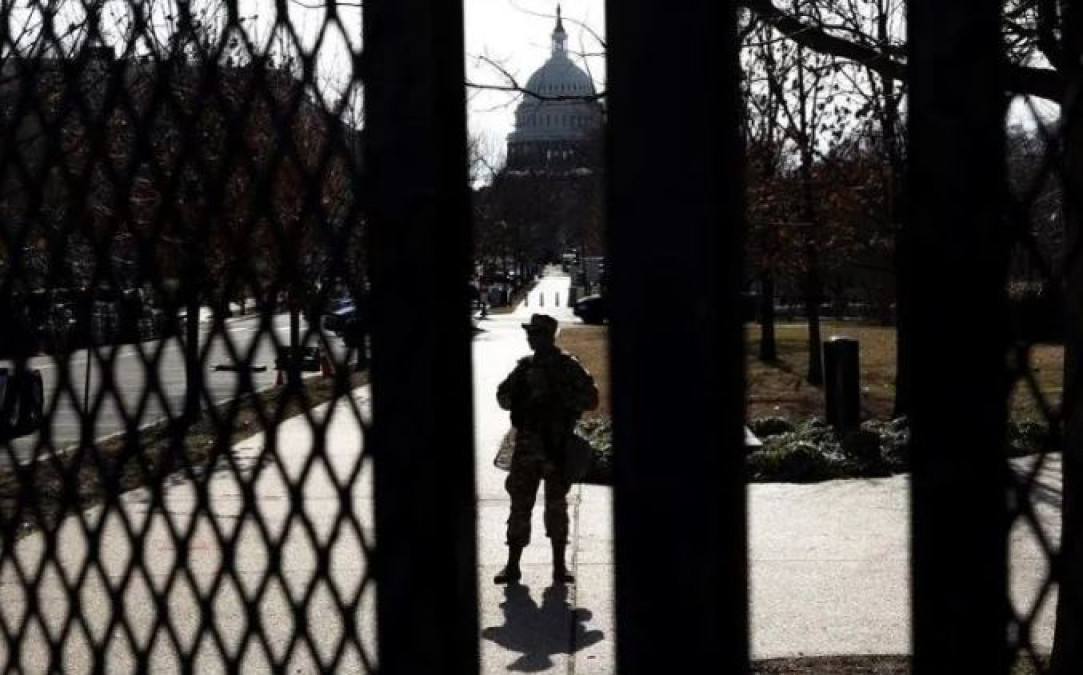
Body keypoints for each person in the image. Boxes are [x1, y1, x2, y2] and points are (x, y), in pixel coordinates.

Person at [495, 313, 599, 584]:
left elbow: (591, 399)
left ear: (548, 336)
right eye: (530, 334)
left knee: (556, 506)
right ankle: (512, 565)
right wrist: (522, 393)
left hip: (556, 446)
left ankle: (559, 567)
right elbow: (503, 398)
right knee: (520, 505)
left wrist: (556, 396)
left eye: (537, 334)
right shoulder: (524, 367)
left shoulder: (568, 366)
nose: (531, 338)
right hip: (527, 446)